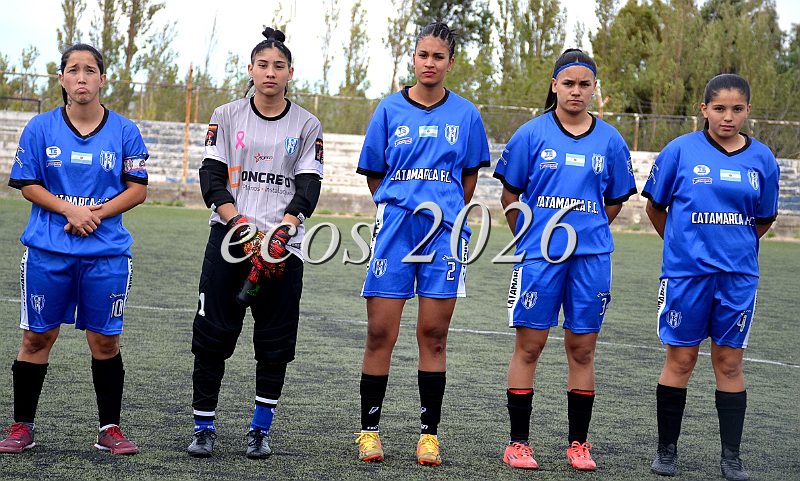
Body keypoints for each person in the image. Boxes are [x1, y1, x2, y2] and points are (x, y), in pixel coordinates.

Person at [493, 48, 637, 471]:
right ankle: (518, 443)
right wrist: (531, 237)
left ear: (594, 89)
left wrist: (586, 231)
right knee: (530, 346)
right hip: (540, 258)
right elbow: (509, 195)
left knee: (583, 349)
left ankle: (579, 445)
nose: (576, 91)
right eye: (568, 83)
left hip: (591, 258)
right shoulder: (531, 134)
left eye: (584, 84)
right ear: (554, 85)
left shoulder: (610, 140)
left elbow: (614, 201)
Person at [0, 44, 148, 455]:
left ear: (103, 78)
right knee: (37, 338)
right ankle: (22, 426)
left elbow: (138, 189)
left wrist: (94, 215)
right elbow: (27, 184)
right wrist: (69, 210)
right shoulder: (40, 128)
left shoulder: (125, 131)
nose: (81, 78)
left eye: (90, 70)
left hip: (106, 255)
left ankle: (110, 429)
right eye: (73, 70)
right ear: (62, 78)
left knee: (106, 342)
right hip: (49, 253)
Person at [354, 22, 491, 466]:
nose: (429, 63)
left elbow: (468, 177)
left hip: (444, 234)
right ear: (413, 58)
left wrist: (445, 210)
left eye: (438, 57)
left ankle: (428, 436)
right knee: (380, 332)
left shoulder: (466, 115)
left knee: (434, 335)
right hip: (395, 229)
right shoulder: (389, 109)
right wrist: (400, 204)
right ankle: (369, 432)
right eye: (423, 55)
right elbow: (375, 176)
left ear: (450, 62)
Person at [187, 27, 323, 459]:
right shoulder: (225, 115)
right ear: (250, 69)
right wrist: (240, 225)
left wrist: (282, 231)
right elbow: (212, 178)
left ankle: (260, 431)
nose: (270, 72)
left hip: (282, 248)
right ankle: (204, 428)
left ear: (290, 73)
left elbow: (309, 185)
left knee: (274, 343)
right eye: (262, 65)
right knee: (211, 336)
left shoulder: (307, 124)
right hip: (230, 240)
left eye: (278, 66)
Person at [642, 74, 779, 481]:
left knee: (730, 363)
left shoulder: (763, 160)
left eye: (736, 109)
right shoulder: (680, 151)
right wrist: (683, 248)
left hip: (738, 278)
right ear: (704, 109)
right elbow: (656, 208)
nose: (727, 117)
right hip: (687, 276)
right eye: (719, 108)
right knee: (681, 359)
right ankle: (666, 451)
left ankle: (731, 458)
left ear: (748, 110)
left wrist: (733, 248)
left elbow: (763, 218)